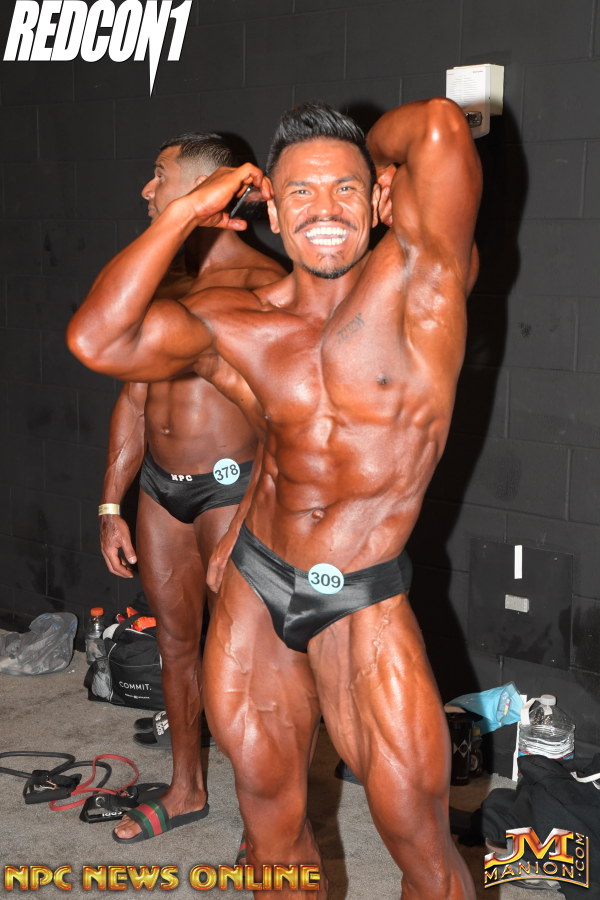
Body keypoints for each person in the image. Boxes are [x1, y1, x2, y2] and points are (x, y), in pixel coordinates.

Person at [68, 97, 481, 897]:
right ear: (272, 214)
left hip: (361, 597)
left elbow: (439, 124)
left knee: (421, 842)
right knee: (270, 830)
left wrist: (369, 157)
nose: (324, 209)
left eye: (345, 190)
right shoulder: (238, 321)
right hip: (258, 589)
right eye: (301, 193)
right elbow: (98, 339)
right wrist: (185, 211)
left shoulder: (425, 285)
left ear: (380, 200)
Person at [98, 132, 285, 843]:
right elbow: (133, 396)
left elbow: (287, 420)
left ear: (210, 188)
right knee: (176, 644)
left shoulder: (266, 285)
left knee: (251, 663)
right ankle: (185, 789)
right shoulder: (159, 279)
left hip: (234, 492)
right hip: (160, 492)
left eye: (160, 175)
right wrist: (111, 503)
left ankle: (268, 826)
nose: (147, 190)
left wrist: (245, 524)